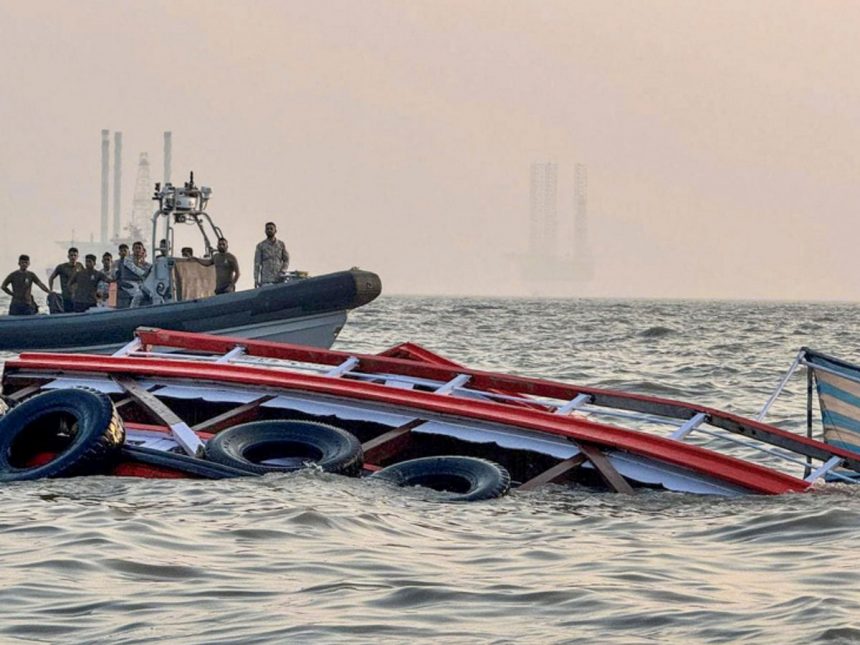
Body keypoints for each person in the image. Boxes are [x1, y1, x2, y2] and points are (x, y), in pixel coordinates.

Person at [253, 221, 289, 287]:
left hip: (279, 278)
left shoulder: (281, 244)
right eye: (267, 229)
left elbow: (286, 260)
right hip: (266, 279)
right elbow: (257, 264)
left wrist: (283, 270)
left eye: (271, 229)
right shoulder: (261, 245)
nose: (269, 230)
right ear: (265, 231)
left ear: (275, 231)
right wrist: (256, 279)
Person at [48, 247, 84, 312]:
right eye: (71, 255)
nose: (73, 257)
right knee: (68, 312)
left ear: (77, 256)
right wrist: (51, 290)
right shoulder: (62, 267)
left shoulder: (80, 266)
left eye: (75, 255)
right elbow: (51, 278)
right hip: (66, 296)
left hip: (77, 297)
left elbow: (85, 278)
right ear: (68, 256)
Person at [116, 241, 150, 308]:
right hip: (128, 282)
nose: (137, 250)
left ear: (142, 250)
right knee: (139, 295)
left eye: (139, 248)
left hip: (140, 283)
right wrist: (145, 273)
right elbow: (135, 269)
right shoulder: (128, 259)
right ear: (132, 249)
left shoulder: (144, 262)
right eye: (136, 248)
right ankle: (132, 309)